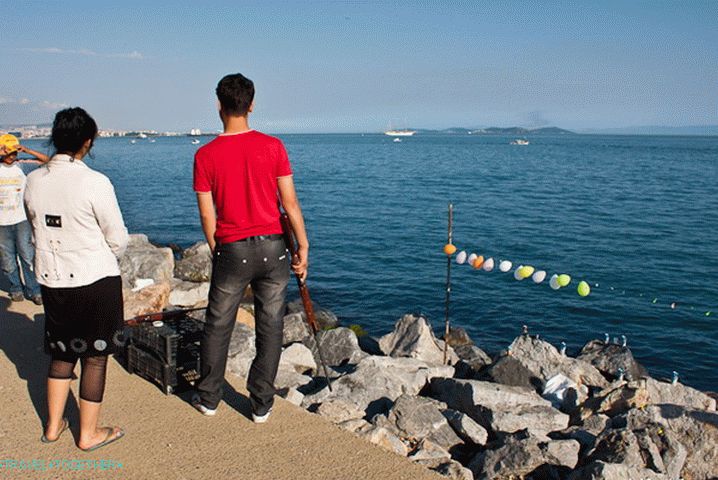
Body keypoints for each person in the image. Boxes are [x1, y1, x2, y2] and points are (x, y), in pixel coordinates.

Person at [192, 73, 309, 423]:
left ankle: (209, 398)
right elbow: (289, 203)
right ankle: (261, 405)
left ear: (219, 104)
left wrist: (217, 248)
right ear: (252, 104)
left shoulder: (205, 155)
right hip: (274, 248)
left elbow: (206, 212)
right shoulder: (273, 147)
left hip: (232, 248)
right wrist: (302, 246)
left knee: (217, 324)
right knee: (270, 325)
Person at [24, 108, 128, 450]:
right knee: (95, 357)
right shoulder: (95, 182)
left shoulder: (34, 180)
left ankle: (53, 427)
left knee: (62, 353)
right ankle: (88, 434)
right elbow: (118, 239)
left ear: (55, 138)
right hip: (94, 279)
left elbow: (35, 221)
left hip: (53, 280)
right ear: (88, 142)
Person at [0, 136, 48, 304]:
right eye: (8, 150)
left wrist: (26, 150)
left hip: (21, 220)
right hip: (1, 223)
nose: (12, 154)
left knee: (27, 256)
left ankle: (34, 290)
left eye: (14, 150)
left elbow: (47, 161)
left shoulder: (22, 165)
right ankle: (16, 288)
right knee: (7, 259)